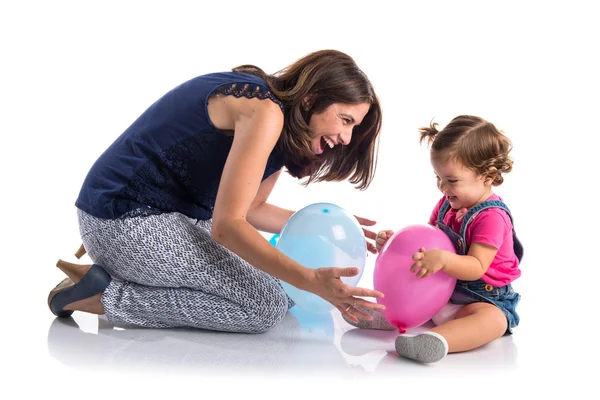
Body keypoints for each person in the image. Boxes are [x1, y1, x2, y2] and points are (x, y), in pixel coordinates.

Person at [48, 49, 387, 333]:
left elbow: (252, 208)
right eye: (345, 120)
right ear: (312, 99)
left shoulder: (282, 125)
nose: (346, 138)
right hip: (121, 219)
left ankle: (117, 273)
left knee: (283, 293)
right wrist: (310, 278)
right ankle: (102, 295)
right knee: (263, 308)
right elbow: (228, 226)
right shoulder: (264, 111)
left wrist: (320, 227)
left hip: (172, 218)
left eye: (353, 128)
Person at [343, 115, 523, 363]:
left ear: (488, 176)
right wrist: (394, 244)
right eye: (438, 178)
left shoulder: (491, 217)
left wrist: (444, 260)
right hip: (441, 294)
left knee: (492, 321)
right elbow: (428, 242)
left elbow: (476, 267)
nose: (442, 187)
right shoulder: (447, 205)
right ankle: (390, 315)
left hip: (483, 299)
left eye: (452, 180)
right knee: (419, 277)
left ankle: (438, 340)